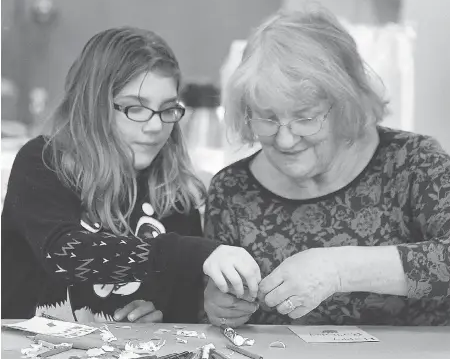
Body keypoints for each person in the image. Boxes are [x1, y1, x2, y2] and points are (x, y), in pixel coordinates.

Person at [203, 7, 450, 327]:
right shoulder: (232, 189)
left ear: (346, 105)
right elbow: (210, 311)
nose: (285, 140)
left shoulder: (413, 164)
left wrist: (338, 270)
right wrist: (218, 307)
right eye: (267, 117)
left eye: (305, 118)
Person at [1, 27, 261, 323]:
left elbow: (182, 305)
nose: (154, 127)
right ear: (92, 105)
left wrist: (159, 317)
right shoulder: (43, 162)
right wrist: (198, 253)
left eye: (167, 109)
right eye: (135, 108)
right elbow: (66, 254)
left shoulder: (175, 192)